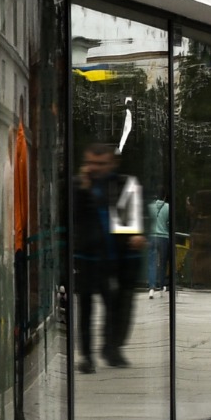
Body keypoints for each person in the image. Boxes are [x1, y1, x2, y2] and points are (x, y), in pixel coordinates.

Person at [72, 142, 139, 371]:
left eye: (101, 164)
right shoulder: (79, 186)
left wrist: (135, 237)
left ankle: (110, 348)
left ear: (112, 163)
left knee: (114, 306)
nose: (95, 168)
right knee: (85, 308)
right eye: (91, 163)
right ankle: (87, 356)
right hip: (86, 257)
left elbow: (129, 221)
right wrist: (84, 189)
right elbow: (72, 217)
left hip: (112, 257)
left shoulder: (121, 185)